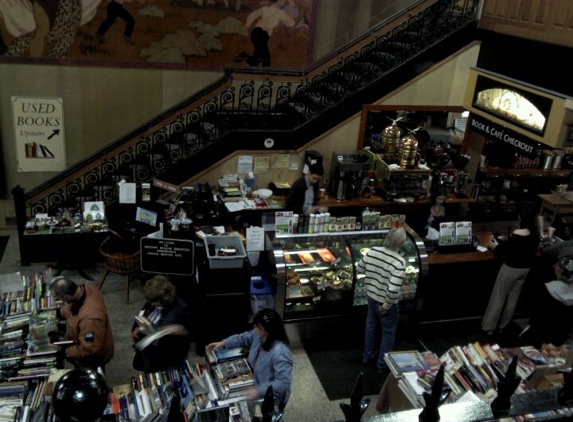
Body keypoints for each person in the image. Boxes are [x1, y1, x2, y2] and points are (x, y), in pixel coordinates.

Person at [206, 308, 293, 405]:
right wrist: (224, 343)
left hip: (271, 397)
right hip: (257, 385)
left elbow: (283, 383)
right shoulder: (258, 335)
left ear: (268, 330)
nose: (254, 328)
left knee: (260, 416)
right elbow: (244, 337)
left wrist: (258, 391)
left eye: (257, 326)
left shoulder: (281, 353)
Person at [481, 209, 540, 336]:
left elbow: (509, 252)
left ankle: (489, 327)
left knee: (498, 297)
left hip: (511, 268)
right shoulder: (536, 234)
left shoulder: (518, 232)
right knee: (513, 299)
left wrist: (496, 246)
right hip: (525, 269)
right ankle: (503, 326)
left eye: (519, 219)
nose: (518, 222)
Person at [358, 227, 407, 372]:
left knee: (371, 326)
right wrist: (386, 305)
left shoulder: (373, 251)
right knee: (388, 332)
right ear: (401, 242)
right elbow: (392, 290)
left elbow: (360, 268)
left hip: (371, 297)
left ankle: (367, 356)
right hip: (386, 304)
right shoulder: (399, 262)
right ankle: (382, 364)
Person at [49, 276, 114, 369]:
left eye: (57, 298)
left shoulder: (89, 320)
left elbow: (89, 348)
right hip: (90, 336)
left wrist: (65, 351)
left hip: (91, 358)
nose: (56, 300)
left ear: (66, 297)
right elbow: (73, 307)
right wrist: (58, 313)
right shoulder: (87, 289)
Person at [131, 275, 193, 373]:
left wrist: (179, 330)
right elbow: (144, 314)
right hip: (150, 354)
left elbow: (192, 332)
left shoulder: (182, 308)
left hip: (170, 358)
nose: (151, 304)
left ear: (165, 298)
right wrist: (138, 329)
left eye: (154, 302)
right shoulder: (152, 302)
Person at [520, 255, 573, 348]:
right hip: (557, 341)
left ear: (560, 270)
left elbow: (531, 310)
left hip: (536, 335)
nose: (554, 267)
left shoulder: (547, 288)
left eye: (557, 266)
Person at [234, 0, 295, 67]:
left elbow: (253, 15)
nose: (284, 2)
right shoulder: (281, 13)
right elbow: (291, 23)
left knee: (260, 57)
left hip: (255, 32)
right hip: (263, 35)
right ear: (279, 2)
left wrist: (247, 25)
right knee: (265, 60)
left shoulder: (265, 8)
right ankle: (245, 56)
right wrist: (291, 8)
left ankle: (247, 61)